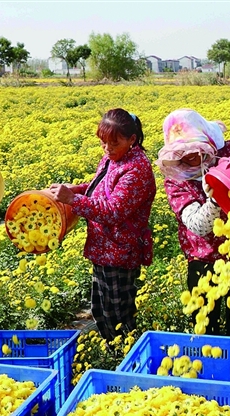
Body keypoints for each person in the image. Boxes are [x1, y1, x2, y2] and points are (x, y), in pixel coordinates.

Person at [47, 109, 155, 340]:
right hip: (103, 248)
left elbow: (113, 211)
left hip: (120, 251)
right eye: (103, 143)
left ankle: (124, 360)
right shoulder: (114, 158)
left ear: (132, 140)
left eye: (113, 143)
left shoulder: (136, 169)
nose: (107, 148)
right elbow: (102, 187)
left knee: (118, 317)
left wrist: (73, 199)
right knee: (101, 311)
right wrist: (75, 190)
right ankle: (113, 355)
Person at [157, 108, 230, 337]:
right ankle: (208, 369)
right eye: (182, 152)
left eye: (195, 147)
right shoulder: (176, 181)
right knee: (205, 323)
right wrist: (216, 199)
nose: (191, 155)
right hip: (203, 259)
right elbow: (197, 225)